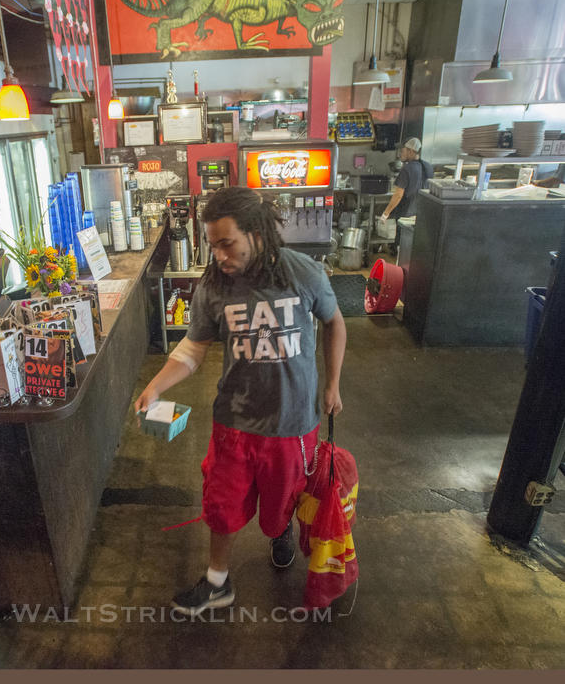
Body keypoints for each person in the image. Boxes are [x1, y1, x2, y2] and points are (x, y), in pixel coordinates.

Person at [135, 187, 346, 616]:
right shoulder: (214, 287)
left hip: (293, 424)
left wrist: (333, 385)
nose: (218, 255)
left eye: (226, 243)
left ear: (256, 233)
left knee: (281, 504)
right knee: (221, 505)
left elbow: (334, 322)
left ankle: (281, 527)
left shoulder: (302, 273)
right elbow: (192, 350)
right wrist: (155, 386)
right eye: (212, 244)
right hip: (234, 421)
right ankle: (217, 582)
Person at [380, 137, 432, 222]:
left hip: (406, 215)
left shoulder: (407, 169)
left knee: (403, 235)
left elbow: (398, 195)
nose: (400, 154)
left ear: (410, 151)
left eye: (402, 151)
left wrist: (386, 213)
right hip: (422, 214)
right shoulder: (429, 167)